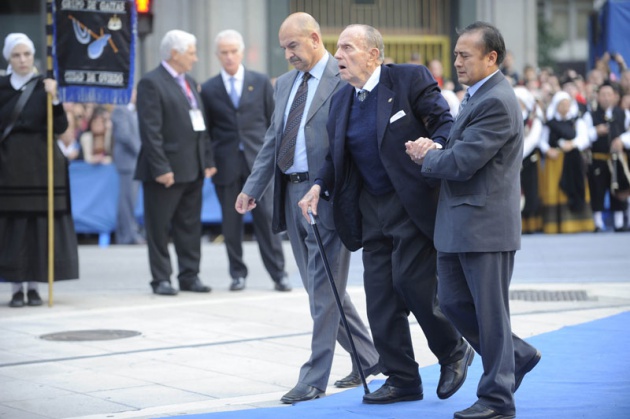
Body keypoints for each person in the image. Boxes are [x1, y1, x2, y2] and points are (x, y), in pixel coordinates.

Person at [298, 24, 473, 405]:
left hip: (410, 203)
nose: (338, 55)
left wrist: (436, 144)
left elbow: (444, 121)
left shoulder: (409, 79)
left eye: (347, 48)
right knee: (379, 298)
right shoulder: (342, 100)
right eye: (337, 48)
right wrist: (318, 186)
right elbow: (335, 157)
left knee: (412, 283)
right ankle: (403, 378)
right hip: (369, 209)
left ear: (373, 54)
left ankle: (453, 350)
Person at [235, 13, 380, 403]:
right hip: (290, 196)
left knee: (322, 291)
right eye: (283, 48)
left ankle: (314, 377)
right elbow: (272, 140)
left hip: (328, 197)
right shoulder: (284, 84)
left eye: (293, 46)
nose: (288, 54)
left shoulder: (343, 75)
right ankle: (369, 357)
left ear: (315, 38)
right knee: (325, 290)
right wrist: (254, 187)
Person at [406, 22, 541, 419]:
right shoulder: (476, 96)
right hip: (459, 224)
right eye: (456, 54)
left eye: (465, 55)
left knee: (489, 314)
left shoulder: (497, 100)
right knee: (451, 303)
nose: (457, 61)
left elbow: (464, 162)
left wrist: (426, 156)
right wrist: (437, 147)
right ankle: (516, 355)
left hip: (484, 226)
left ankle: (498, 399)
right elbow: (461, 149)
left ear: (491, 57)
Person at [200, 30, 289, 292]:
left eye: (233, 51)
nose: (228, 57)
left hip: (259, 164)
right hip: (226, 165)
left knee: (267, 220)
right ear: (217, 55)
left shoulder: (260, 82)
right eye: (223, 52)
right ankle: (237, 274)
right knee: (231, 224)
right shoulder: (209, 88)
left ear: (241, 52)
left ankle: (279, 274)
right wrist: (209, 160)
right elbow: (207, 129)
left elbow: (273, 122)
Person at [135, 30, 216, 296]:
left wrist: (207, 160)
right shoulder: (151, 83)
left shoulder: (189, 81)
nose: (195, 58)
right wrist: (161, 168)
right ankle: (160, 279)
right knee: (159, 228)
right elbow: (150, 131)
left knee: (190, 226)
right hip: (165, 171)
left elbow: (200, 124)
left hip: (192, 168)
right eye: (191, 52)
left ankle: (189, 276)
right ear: (174, 53)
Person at [0, 33, 79, 307]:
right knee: (14, 228)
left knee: (37, 227)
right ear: (8, 58)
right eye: (16, 55)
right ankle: (15, 289)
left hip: (41, 164)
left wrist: (55, 98)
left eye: (26, 54)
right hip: (8, 166)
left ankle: (34, 287)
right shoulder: (1, 86)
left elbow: (59, 129)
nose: (22, 60)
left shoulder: (44, 85)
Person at [539, 91, 594, 234]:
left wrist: (573, 144)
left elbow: (584, 138)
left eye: (567, 104)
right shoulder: (550, 123)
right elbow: (542, 141)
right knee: (556, 190)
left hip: (573, 160)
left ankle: (578, 224)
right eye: (562, 104)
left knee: (576, 187)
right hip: (555, 161)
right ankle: (556, 224)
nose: (565, 107)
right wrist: (548, 150)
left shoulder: (577, 121)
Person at [583, 81, 629, 232]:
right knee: (597, 189)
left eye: (609, 95)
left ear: (615, 97)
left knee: (618, 188)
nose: (606, 98)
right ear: (598, 97)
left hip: (616, 160)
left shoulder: (623, 114)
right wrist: (595, 131)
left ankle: (619, 222)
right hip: (598, 158)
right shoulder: (590, 115)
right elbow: (583, 136)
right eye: (603, 95)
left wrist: (621, 140)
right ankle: (597, 223)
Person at [111, 88, 145, 245]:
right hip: (128, 162)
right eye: (134, 92)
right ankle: (127, 235)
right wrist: (141, 152)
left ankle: (129, 232)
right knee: (127, 201)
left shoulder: (133, 111)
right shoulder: (120, 110)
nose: (136, 95)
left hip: (133, 162)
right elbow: (124, 135)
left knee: (131, 200)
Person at [514, 86, 544, 233]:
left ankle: (530, 225)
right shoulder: (510, 117)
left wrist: (517, 154)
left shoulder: (533, 119)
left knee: (530, 190)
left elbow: (533, 140)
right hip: (513, 160)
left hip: (527, 160)